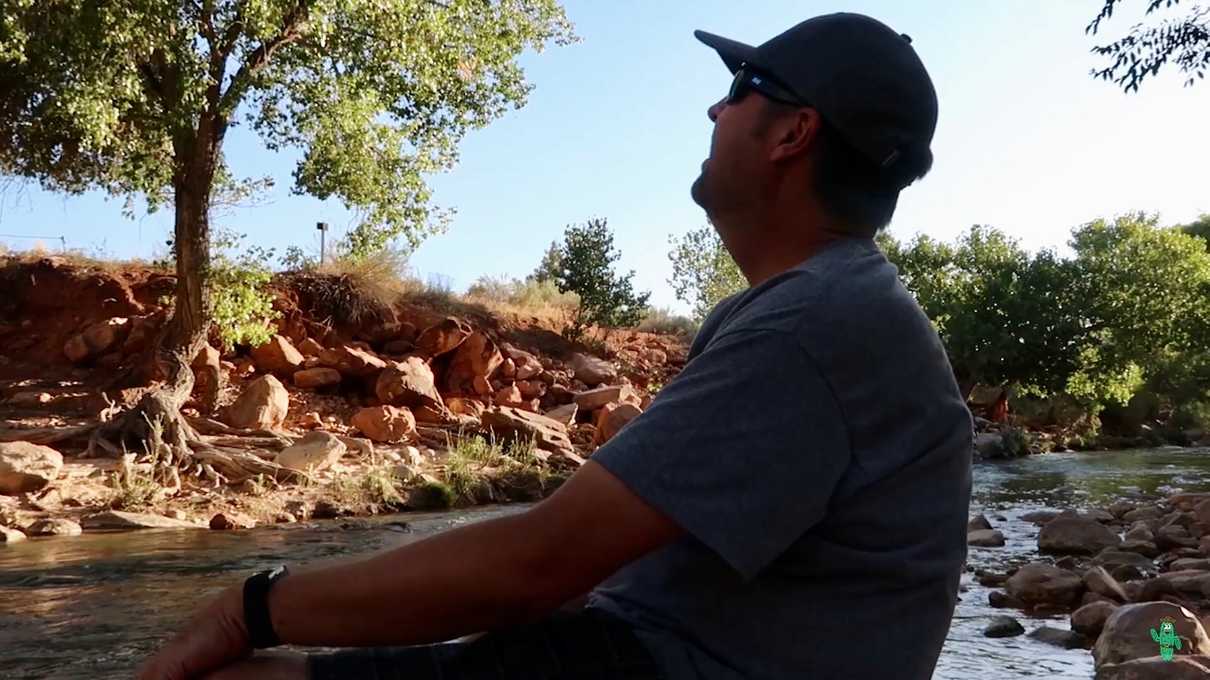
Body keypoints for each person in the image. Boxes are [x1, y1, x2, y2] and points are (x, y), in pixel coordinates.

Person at [139, 12, 972, 680]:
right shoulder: (817, 310)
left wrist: (248, 604)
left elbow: (539, 564)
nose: (716, 109)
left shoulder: (811, 327)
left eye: (741, 86)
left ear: (792, 134)